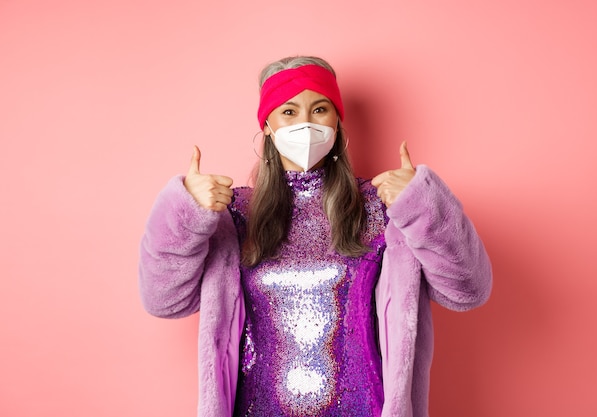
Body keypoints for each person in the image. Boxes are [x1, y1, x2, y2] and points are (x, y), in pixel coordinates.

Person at [139, 56, 492, 417]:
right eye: (289, 112)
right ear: (268, 128)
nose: (305, 124)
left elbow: (468, 291)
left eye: (319, 109)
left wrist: (422, 203)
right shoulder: (235, 213)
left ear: (337, 122)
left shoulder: (380, 206)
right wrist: (185, 214)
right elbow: (163, 301)